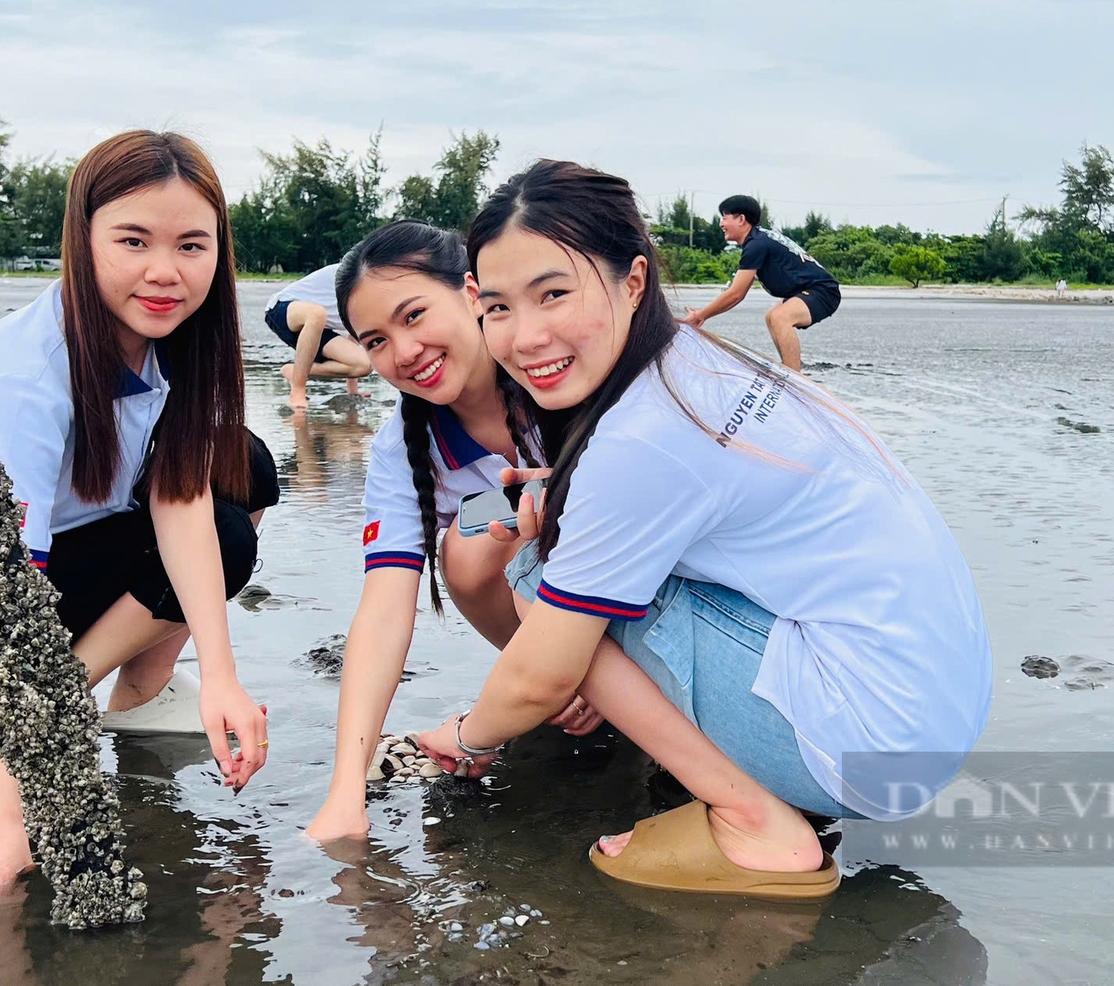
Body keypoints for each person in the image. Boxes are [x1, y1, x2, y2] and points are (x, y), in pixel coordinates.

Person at [413, 160, 991, 898]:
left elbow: (540, 674)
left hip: (870, 747)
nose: (526, 336)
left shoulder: (638, 437)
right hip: (940, 707)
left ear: (633, 281)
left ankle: (754, 817)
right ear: (474, 303)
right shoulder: (699, 363)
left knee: (537, 564)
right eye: (499, 307)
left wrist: (467, 736)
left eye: (555, 293)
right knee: (571, 552)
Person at [0, 130, 279, 891]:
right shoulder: (31, 373)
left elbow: (182, 497)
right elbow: (4, 599)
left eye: (192, 245)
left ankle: (133, 694)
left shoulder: (173, 343)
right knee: (225, 532)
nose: (164, 272)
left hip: (68, 567)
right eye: (133, 240)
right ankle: (58, 705)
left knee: (244, 474)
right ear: (83, 236)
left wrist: (224, 677)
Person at [305, 221, 599, 842]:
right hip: (557, 623)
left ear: (471, 293)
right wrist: (345, 791)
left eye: (414, 316)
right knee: (466, 546)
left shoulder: (558, 372)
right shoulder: (401, 449)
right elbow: (384, 610)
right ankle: (565, 684)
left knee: (527, 503)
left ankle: (590, 675)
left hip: (653, 592)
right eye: (376, 340)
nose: (404, 352)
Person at [682, 195, 840, 371]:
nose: (721, 224)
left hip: (823, 291)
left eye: (724, 218)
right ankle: (789, 368)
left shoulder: (756, 244)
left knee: (780, 317)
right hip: (812, 289)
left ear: (741, 219)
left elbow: (736, 294)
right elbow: (736, 291)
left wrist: (700, 315)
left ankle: (795, 377)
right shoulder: (758, 239)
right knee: (772, 316)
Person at [265, 262, 372, 410]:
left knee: (365, 365)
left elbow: (354, 335)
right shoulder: (356, 272)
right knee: (317, 314)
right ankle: (298, 390)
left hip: (319, 328)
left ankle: (294, 371)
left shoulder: (372, 301)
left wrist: (352, 392)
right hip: (283, 310)